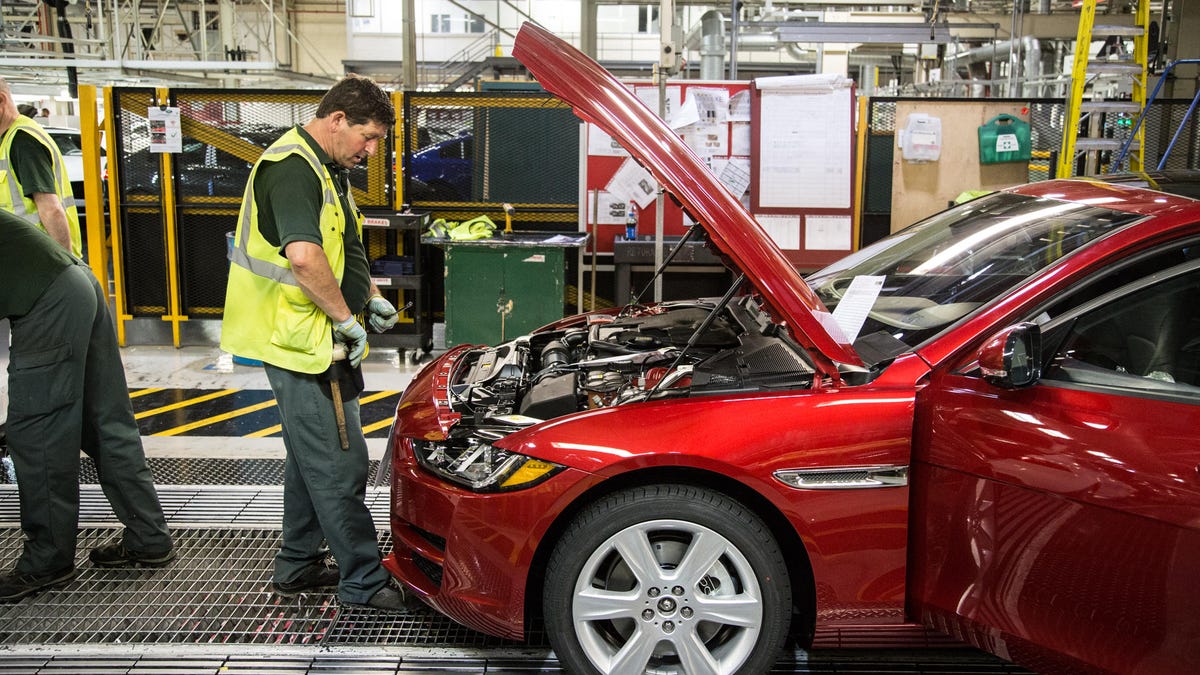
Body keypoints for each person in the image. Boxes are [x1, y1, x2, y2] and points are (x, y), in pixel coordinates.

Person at [220, 74, 408, 611]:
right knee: (339, 463)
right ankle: (363, 582)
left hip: (317, 333)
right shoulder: (292, 170)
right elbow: (303, 258)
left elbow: (341, 243)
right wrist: (346, 318)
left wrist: (367, 293)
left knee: (310, 459)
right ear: (337, 120)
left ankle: (297, 564)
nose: (370, 152)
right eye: (367, 138)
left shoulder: (326, 167)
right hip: (299, 340)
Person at [0, 209, 174, 603]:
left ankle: (48, 562)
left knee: (38, 435)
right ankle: (149, 537)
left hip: (48, 301)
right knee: (104, 423)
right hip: (77, 282)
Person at [0, 77, 82, 256]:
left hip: (39, 262)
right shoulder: (7, 141)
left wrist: (66, 268)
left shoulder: (23, 142)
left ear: (1, 100)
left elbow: (51, 209)